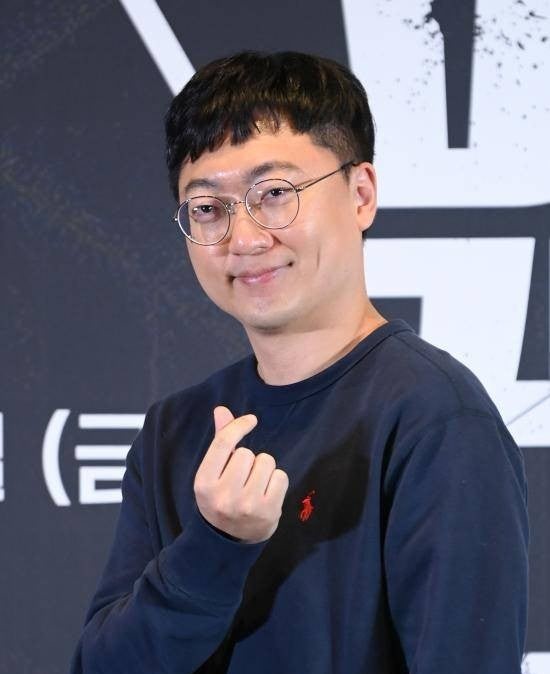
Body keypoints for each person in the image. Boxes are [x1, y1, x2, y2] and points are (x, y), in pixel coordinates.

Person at [70, 50, 529, 674]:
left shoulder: (436, 418)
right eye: (208, 208)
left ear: (361, 194)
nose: (244, 239)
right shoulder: (174, 431)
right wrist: (214, 546)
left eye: (275, 194)